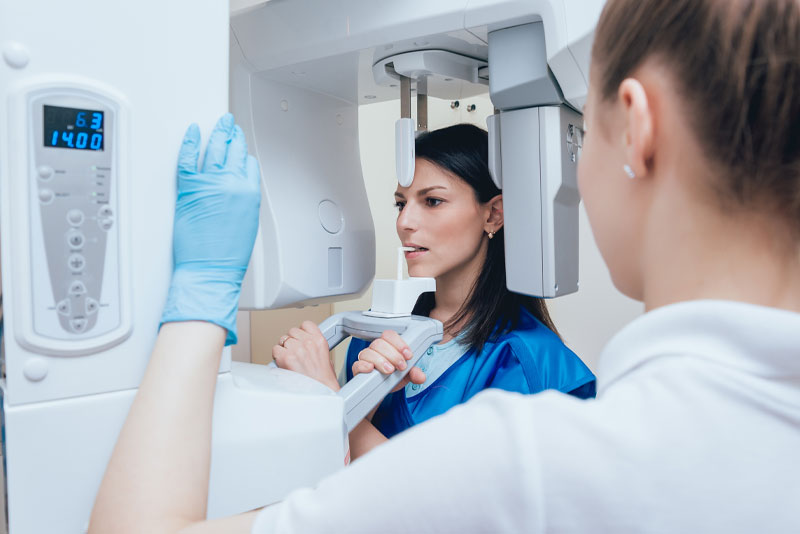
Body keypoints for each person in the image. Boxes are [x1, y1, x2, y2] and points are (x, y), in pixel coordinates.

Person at [89, 0, 800, 532]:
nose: (406, 221)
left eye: (584, 129)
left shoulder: (530, 446)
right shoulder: (389, 337)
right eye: (402, 200)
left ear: (639, 129)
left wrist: (201, 298)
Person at [271, 124, 595, 460]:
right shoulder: (377, 335)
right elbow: (332, 473)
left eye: (432, 201)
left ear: (494, 214)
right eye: (401, 204)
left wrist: (329, 399)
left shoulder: (527, 361)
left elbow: (453, 505)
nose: (404, 222)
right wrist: (362, 402)